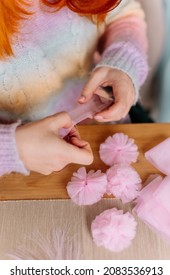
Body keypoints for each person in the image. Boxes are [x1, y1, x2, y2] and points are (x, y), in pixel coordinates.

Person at [0, 0, 148, 176]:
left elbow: (124, 16)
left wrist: (122, 62)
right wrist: (12, 149)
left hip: (104, 124)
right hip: (17, 167)